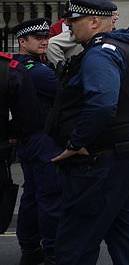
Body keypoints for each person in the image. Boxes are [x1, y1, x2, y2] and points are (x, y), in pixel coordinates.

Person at [45, 0, 129, 264]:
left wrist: (75, 142)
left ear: (93, 22)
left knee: (76, 242)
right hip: (128, 154)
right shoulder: (124, 47)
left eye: (73, 20)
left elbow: (103, 104)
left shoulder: (99, 54)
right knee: (127, 234)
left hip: (101, 162)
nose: (69, 26)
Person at [10, 19, 62, 265]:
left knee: (31, 195)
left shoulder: (16, 66)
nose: (44, 41)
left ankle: (30, 248)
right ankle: (52, 251)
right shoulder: (37, 70)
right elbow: (66, 92)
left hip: (27, 139)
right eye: (38, 38)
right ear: (22, 41)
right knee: (49, 196)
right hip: (43, 139)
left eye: (45, 36)